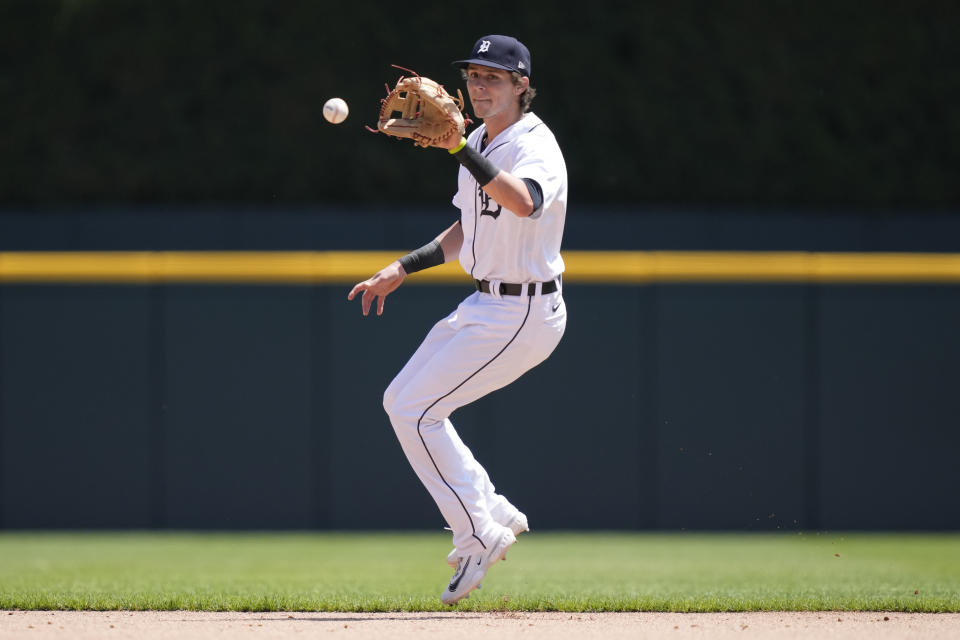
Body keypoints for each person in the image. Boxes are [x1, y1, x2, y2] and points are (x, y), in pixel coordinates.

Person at [348, 34, 568, 604]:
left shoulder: (533, 144)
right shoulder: (475, 138)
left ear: (522, 85)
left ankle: (479, 533)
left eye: (493, 77)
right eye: (473, 75)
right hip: (487, 304)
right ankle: (489, 509)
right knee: (405, 403)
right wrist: (403, 266)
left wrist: (457, 151)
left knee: (417, 410)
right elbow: (470, 227)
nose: (478, 86)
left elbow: (523, 201)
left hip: (523, 310)